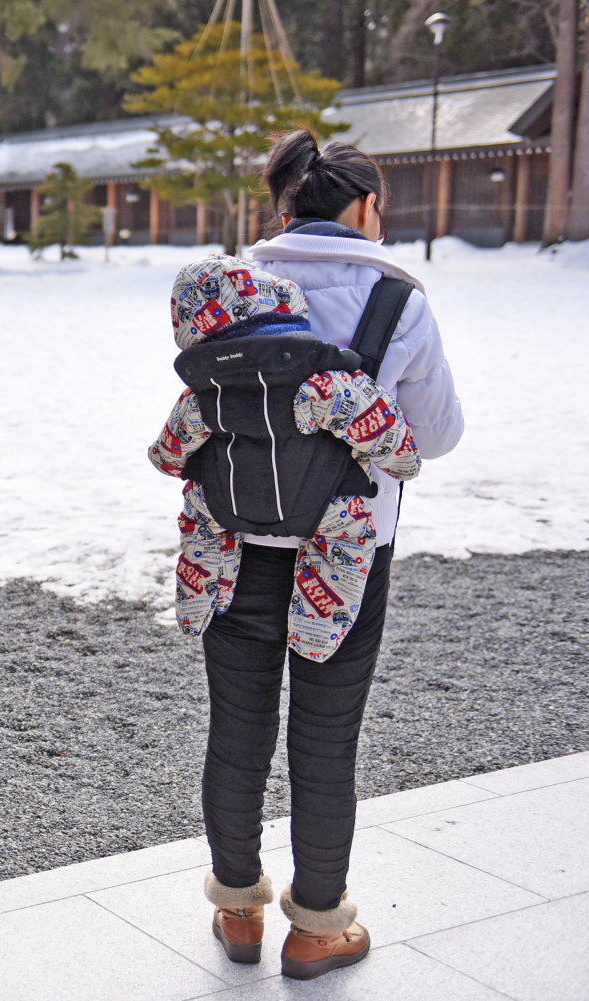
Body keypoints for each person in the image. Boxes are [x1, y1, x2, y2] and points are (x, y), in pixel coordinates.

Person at [179, 130, 464, 980]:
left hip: (230, 548)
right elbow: (438, 436)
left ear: (285, 204)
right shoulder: (396, 302)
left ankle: (236, 910)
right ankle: (317, 927)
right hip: (343, 558)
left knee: (236, 732)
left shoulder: (230, 289)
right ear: (368, 207)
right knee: (326, 740)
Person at [149, 254, 423, 662]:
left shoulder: (202, 398)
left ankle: (197, 598)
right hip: (325, 504)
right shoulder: (325, 383)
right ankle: (317, 629)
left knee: (201, 523)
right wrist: (386, 447)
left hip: (224, 502)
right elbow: (397, 450)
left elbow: (167, 458)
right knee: (345, 538)